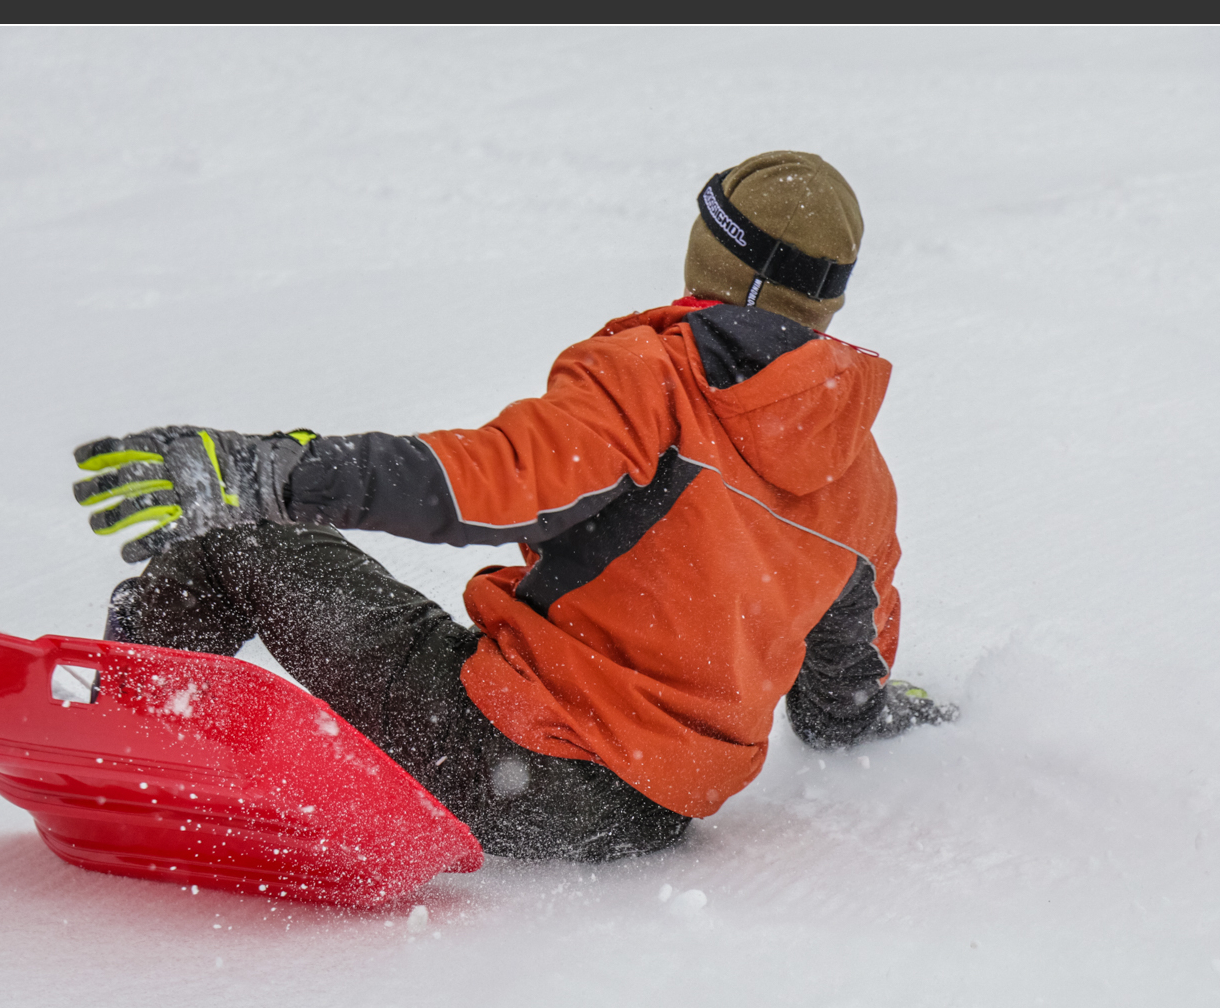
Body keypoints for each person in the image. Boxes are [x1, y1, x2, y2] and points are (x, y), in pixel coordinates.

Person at [71, 151, 955, 862]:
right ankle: (160, 726)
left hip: (510, 757)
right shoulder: (860, 482)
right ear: (826, 299)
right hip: (646, 819)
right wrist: (905, 714)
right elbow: (840, 704)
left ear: (712, 256)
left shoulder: (652, 383)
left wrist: (282, 473)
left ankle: (115, 743)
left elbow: (483, 483)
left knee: (240, 540)